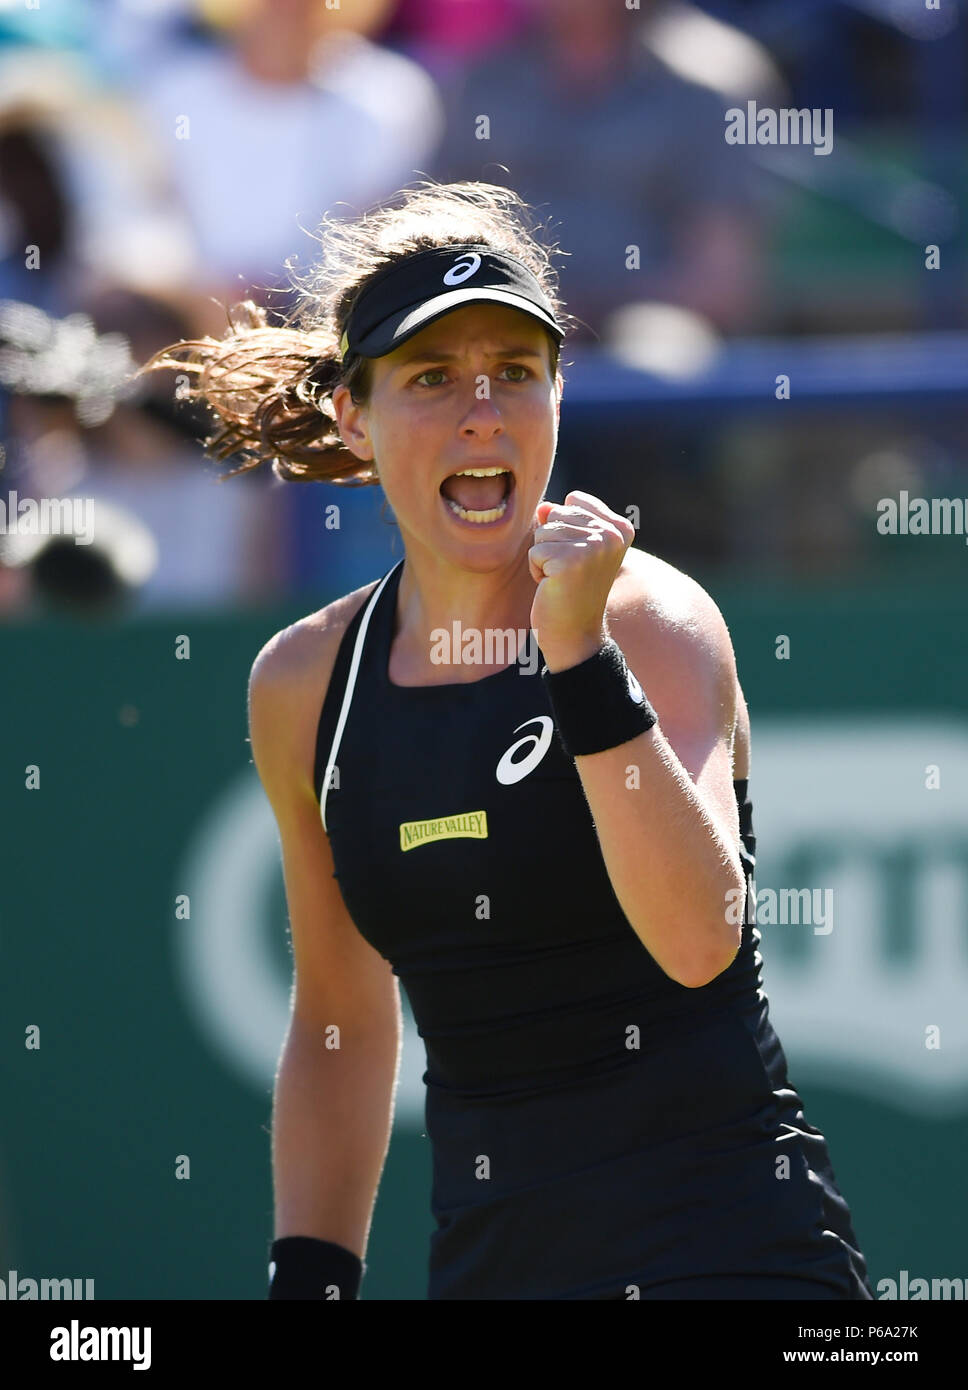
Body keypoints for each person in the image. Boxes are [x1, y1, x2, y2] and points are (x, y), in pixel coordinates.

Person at [142, 179, 874, 1300]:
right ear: (353, 412)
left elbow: (695, 940)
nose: (482, 414)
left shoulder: (649, 618)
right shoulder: (303, 682)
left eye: (515, 375)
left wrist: (579, 661)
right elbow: (340, 1016)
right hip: (488, 1271)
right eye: (432, 379)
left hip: (733, 1259)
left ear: (555, 396)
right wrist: (312, 1280)